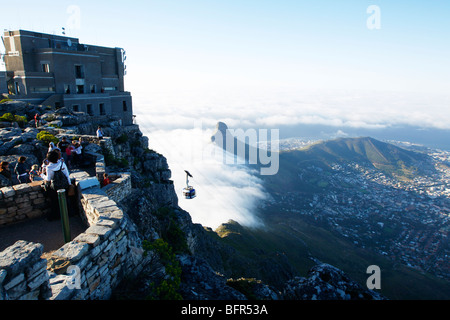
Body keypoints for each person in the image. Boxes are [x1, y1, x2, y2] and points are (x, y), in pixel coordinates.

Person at [42, 150, 71, 221]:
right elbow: (67, 175)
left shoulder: (48, 168)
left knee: (55, 202)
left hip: (55, 187)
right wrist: (70, 184)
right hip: (64, 185)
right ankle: (68, 214)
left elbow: (48, 179)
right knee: (66, 200)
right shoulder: (62, 164)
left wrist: (42, 175)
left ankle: (56, 216)